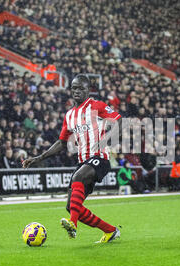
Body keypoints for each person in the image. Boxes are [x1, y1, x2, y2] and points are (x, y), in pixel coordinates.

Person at [23, 74, 122, 243]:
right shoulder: (69, 115)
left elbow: (118, 121)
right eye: (74, 88)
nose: (77, 91)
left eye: (81, 88)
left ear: (88, 90)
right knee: (72, 206)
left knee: (77, 178)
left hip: (100, 157)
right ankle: (110, 231)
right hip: (83, 161)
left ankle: (73, 225)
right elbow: (62, 142)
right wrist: (40, 157)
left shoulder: (97, 106)